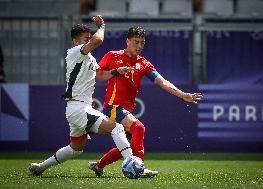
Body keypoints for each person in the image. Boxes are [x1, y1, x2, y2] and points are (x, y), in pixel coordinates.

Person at [89, 26, 203, 177]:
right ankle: (140, 168)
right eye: (136, 42)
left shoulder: (143, 63)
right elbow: (99, 76)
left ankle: (99, 165)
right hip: (113, 106)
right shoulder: (112, 56)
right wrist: (116, 71)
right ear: (127, 41)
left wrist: (183, 95)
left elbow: (162, 82)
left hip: (126, 109)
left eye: (142, 43)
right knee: (139, 128)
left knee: (127, 146)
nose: (139, 46)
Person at [28, 15, 134, 176]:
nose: (89, 41)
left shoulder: (88, 57)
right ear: (75, 41)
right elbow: (98, 41)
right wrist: (102, 26)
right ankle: (131, 164)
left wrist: (116, 71)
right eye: (86, 39)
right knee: (117, 128)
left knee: (76, 149)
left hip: (77, 108)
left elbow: (100, 76)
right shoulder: (75, 52)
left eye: (89, 38)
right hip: (79, 108)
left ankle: (40, 167)